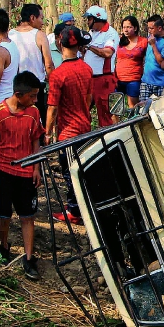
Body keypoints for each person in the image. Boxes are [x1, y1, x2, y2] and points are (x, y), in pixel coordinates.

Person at [0, 71, 46, 280]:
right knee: (3, 215)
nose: (35, 100)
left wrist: (36, 168)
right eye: (32, 96)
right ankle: (3, 246)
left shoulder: (34, 113)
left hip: (26, 172)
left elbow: (36, 138)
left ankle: (28, 258)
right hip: (3, 171)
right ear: (19, 94)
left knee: (28, 216)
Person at [47, 27, 94, 225]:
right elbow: (89, 98)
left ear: (60, 44)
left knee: (69, 172)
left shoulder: (58, 75)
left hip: (68, 132)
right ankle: (82, 207)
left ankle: (75, 211)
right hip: (85, 127)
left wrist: (47, 133)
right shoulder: (87, 69)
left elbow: (52, 107)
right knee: (82, 169)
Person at [9, 3, 54, 118]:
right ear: (32, 18)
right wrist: (53, 85)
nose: (43, 22)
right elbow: (48, 64)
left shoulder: (10, 34)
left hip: (15, 87)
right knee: (37, 121)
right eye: (41, 18)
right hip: (36, 88)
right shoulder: (40, 35)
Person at [83, 5, 119, 126]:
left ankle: (109, 138)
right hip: (89, 78)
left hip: (103, 79)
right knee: (83, 110)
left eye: (89, 19)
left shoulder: (110, 34)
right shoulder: (91, 33)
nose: (88, 21)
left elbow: (108, 53)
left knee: (105, 113)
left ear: (96, 19)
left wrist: (89, 47)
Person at [114, 15, 147, 108]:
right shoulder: (119, 41)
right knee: (114, 108)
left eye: (129, 27)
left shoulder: (143, 42)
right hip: (118, 79)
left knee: (133, 107)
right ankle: (115, 123)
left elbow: (151, 58)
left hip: (134, 80)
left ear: (135, 28)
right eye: (124, 27)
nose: (126, 30)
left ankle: (132, 123)